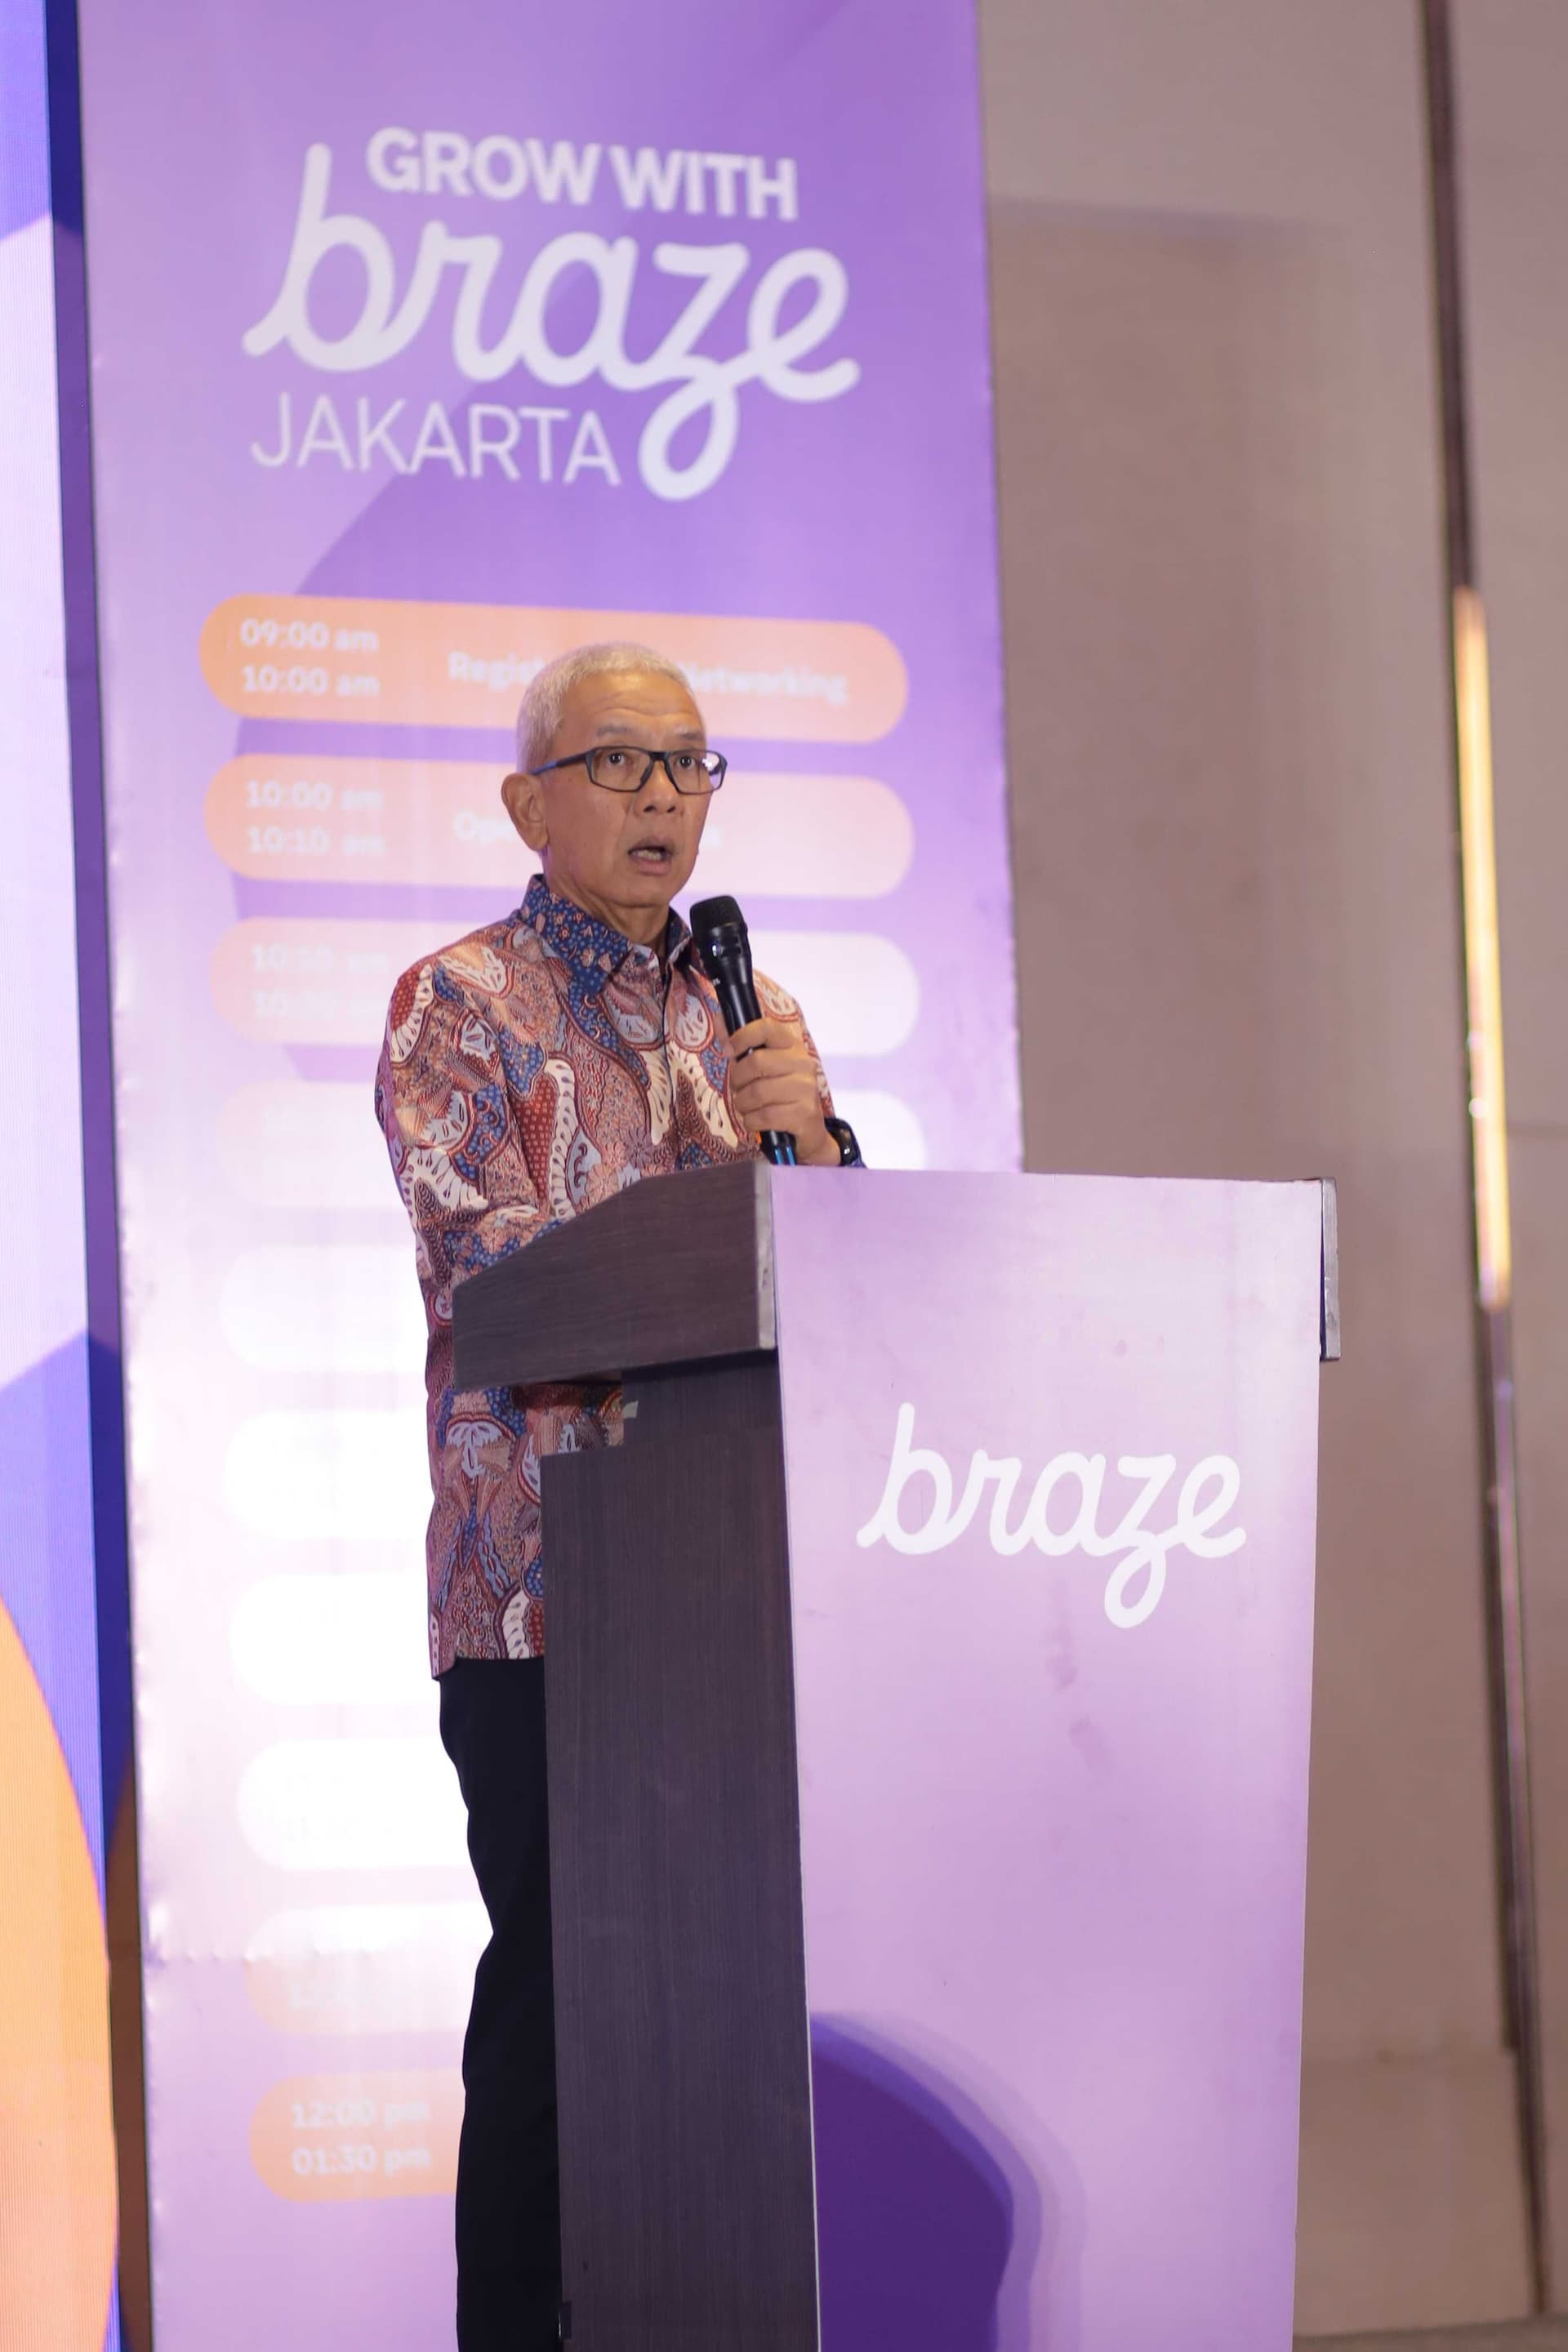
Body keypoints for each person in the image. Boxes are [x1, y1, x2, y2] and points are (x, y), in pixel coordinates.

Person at [374, 641, 861, 2352]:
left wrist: (812, 1141)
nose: (665, 797)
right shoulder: (461, 1001)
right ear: (531, 801)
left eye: (691, 766)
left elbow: (855, 1288)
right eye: (623, 765)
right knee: (568, 2013)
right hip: (544, 1596)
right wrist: (706, 1213)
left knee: (728, 2022)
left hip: (737, 1596)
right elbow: (491, 1275)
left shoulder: (740, 1015)